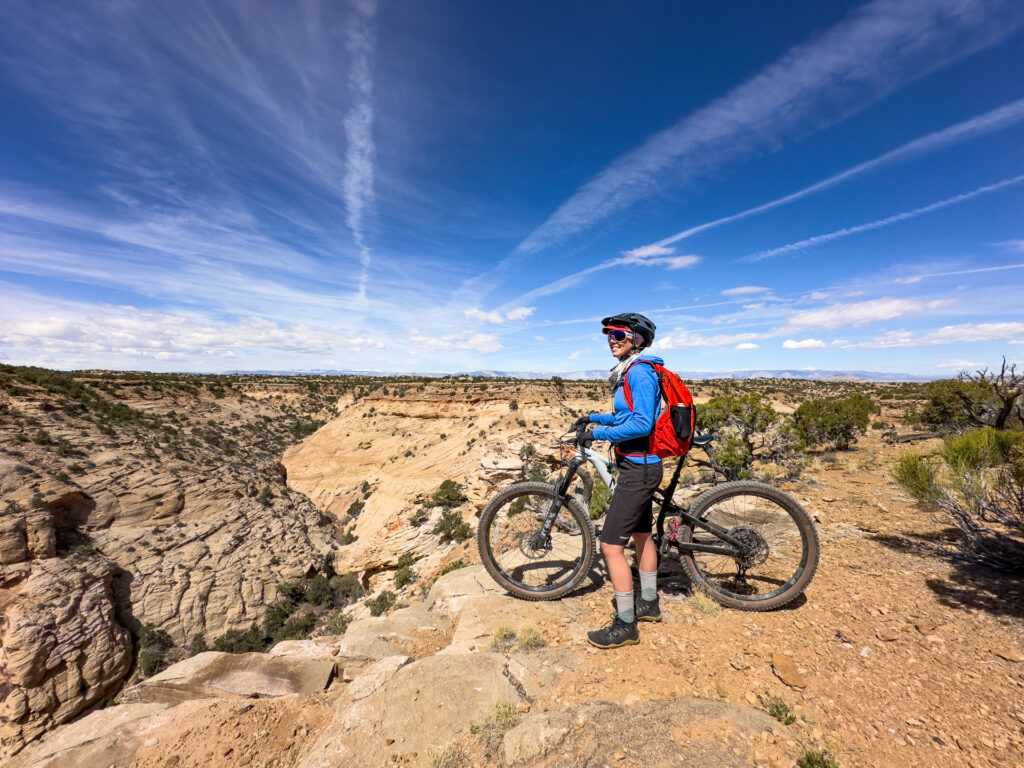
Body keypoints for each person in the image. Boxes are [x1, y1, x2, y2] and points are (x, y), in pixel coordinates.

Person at [575, 312, 663, 649]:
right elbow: (626, 415)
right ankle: (649, 603)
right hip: (641, 465)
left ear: (637, 340)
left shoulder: (639, 372)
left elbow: (641, 425)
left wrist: (597, 433)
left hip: (638, 470)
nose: (612, 339)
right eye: (609, 335)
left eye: (620, 335)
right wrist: (592, 417)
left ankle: (626, 625)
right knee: (642, 535)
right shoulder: (633, 370)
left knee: (611, 546)